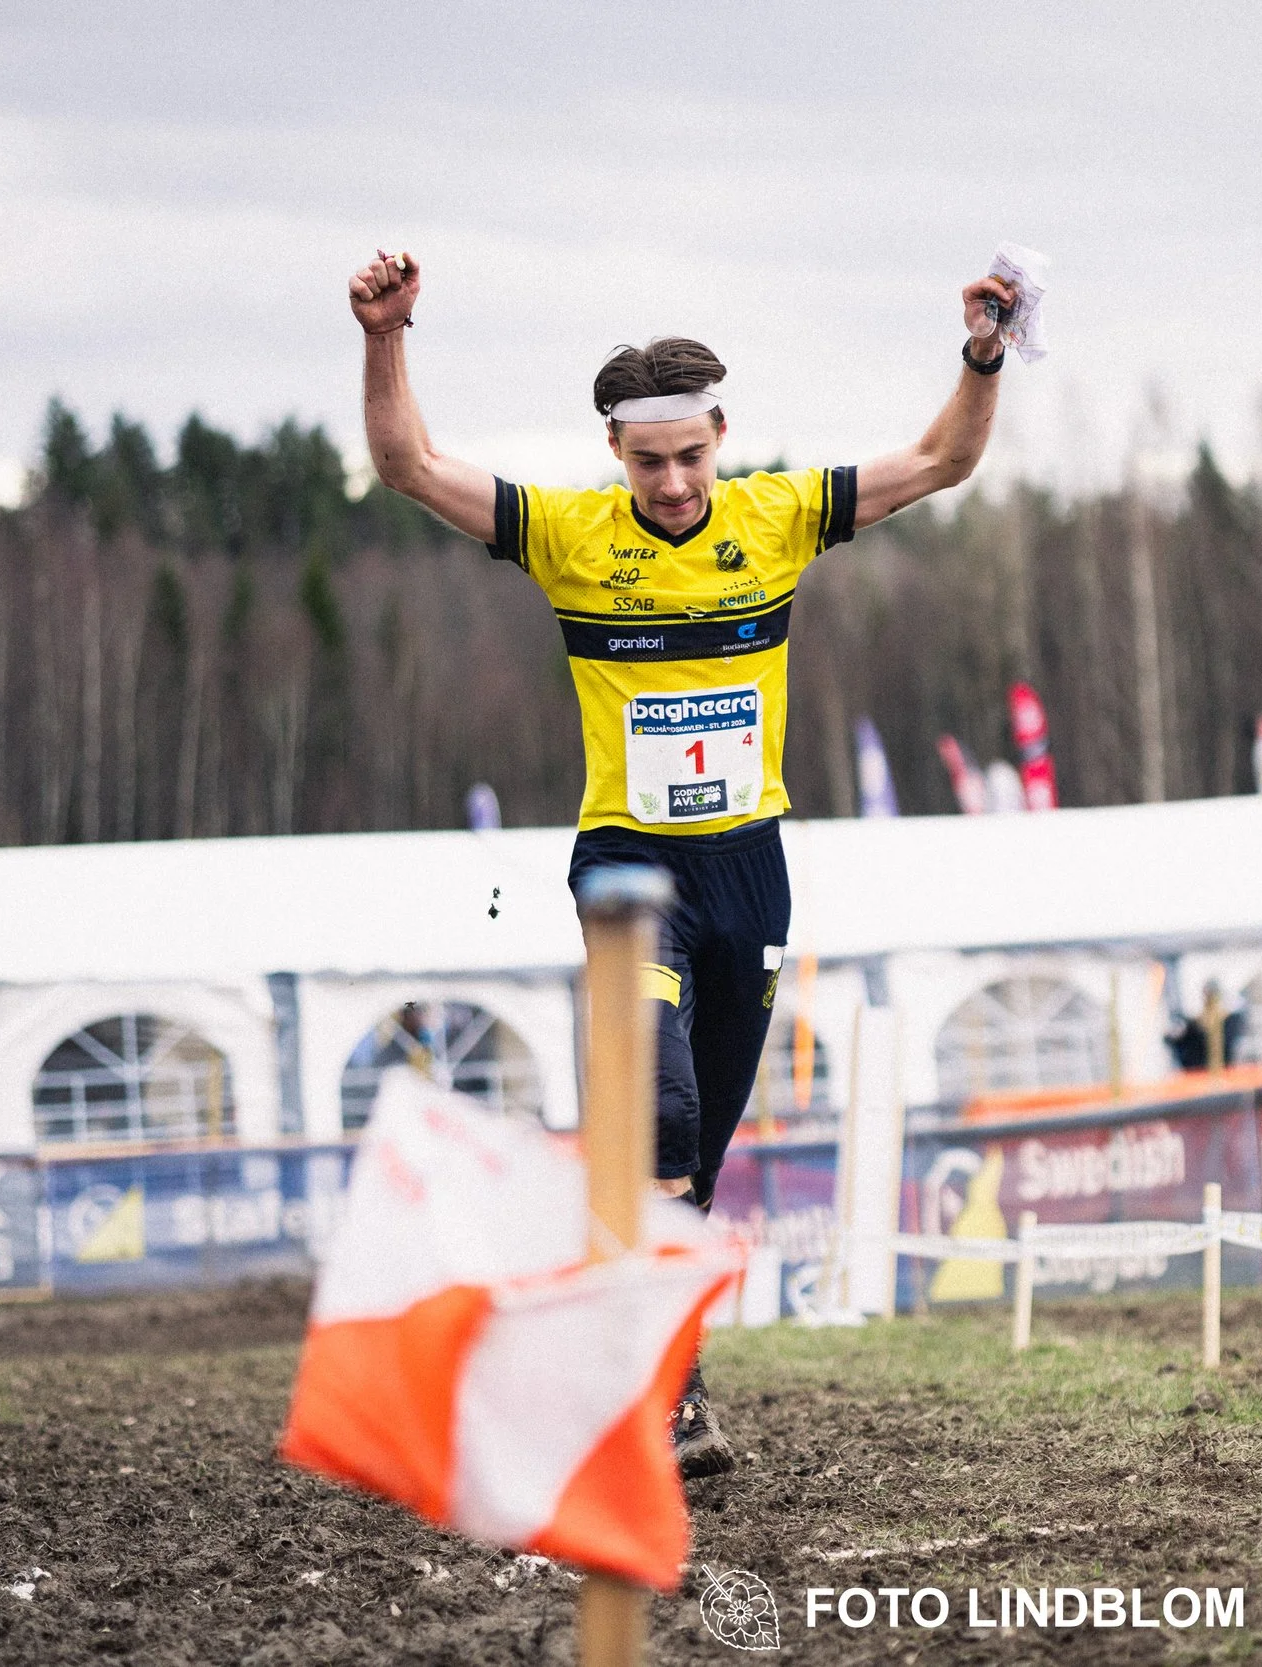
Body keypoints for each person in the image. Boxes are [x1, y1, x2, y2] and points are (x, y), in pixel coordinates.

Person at [350, 246, 1018, 1478]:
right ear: (614, 451)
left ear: (721, 438)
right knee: (658, 1110)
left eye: (689, 457)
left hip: (748, 870)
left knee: (692, 1160)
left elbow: (942, 461)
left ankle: (638, 1348)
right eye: (647, 461)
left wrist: (981, 357)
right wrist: (385, 337)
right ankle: (667, 1391)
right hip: (629, 874)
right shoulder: (567, 533)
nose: (670, 483)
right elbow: (409, 466)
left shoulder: (777, 516)